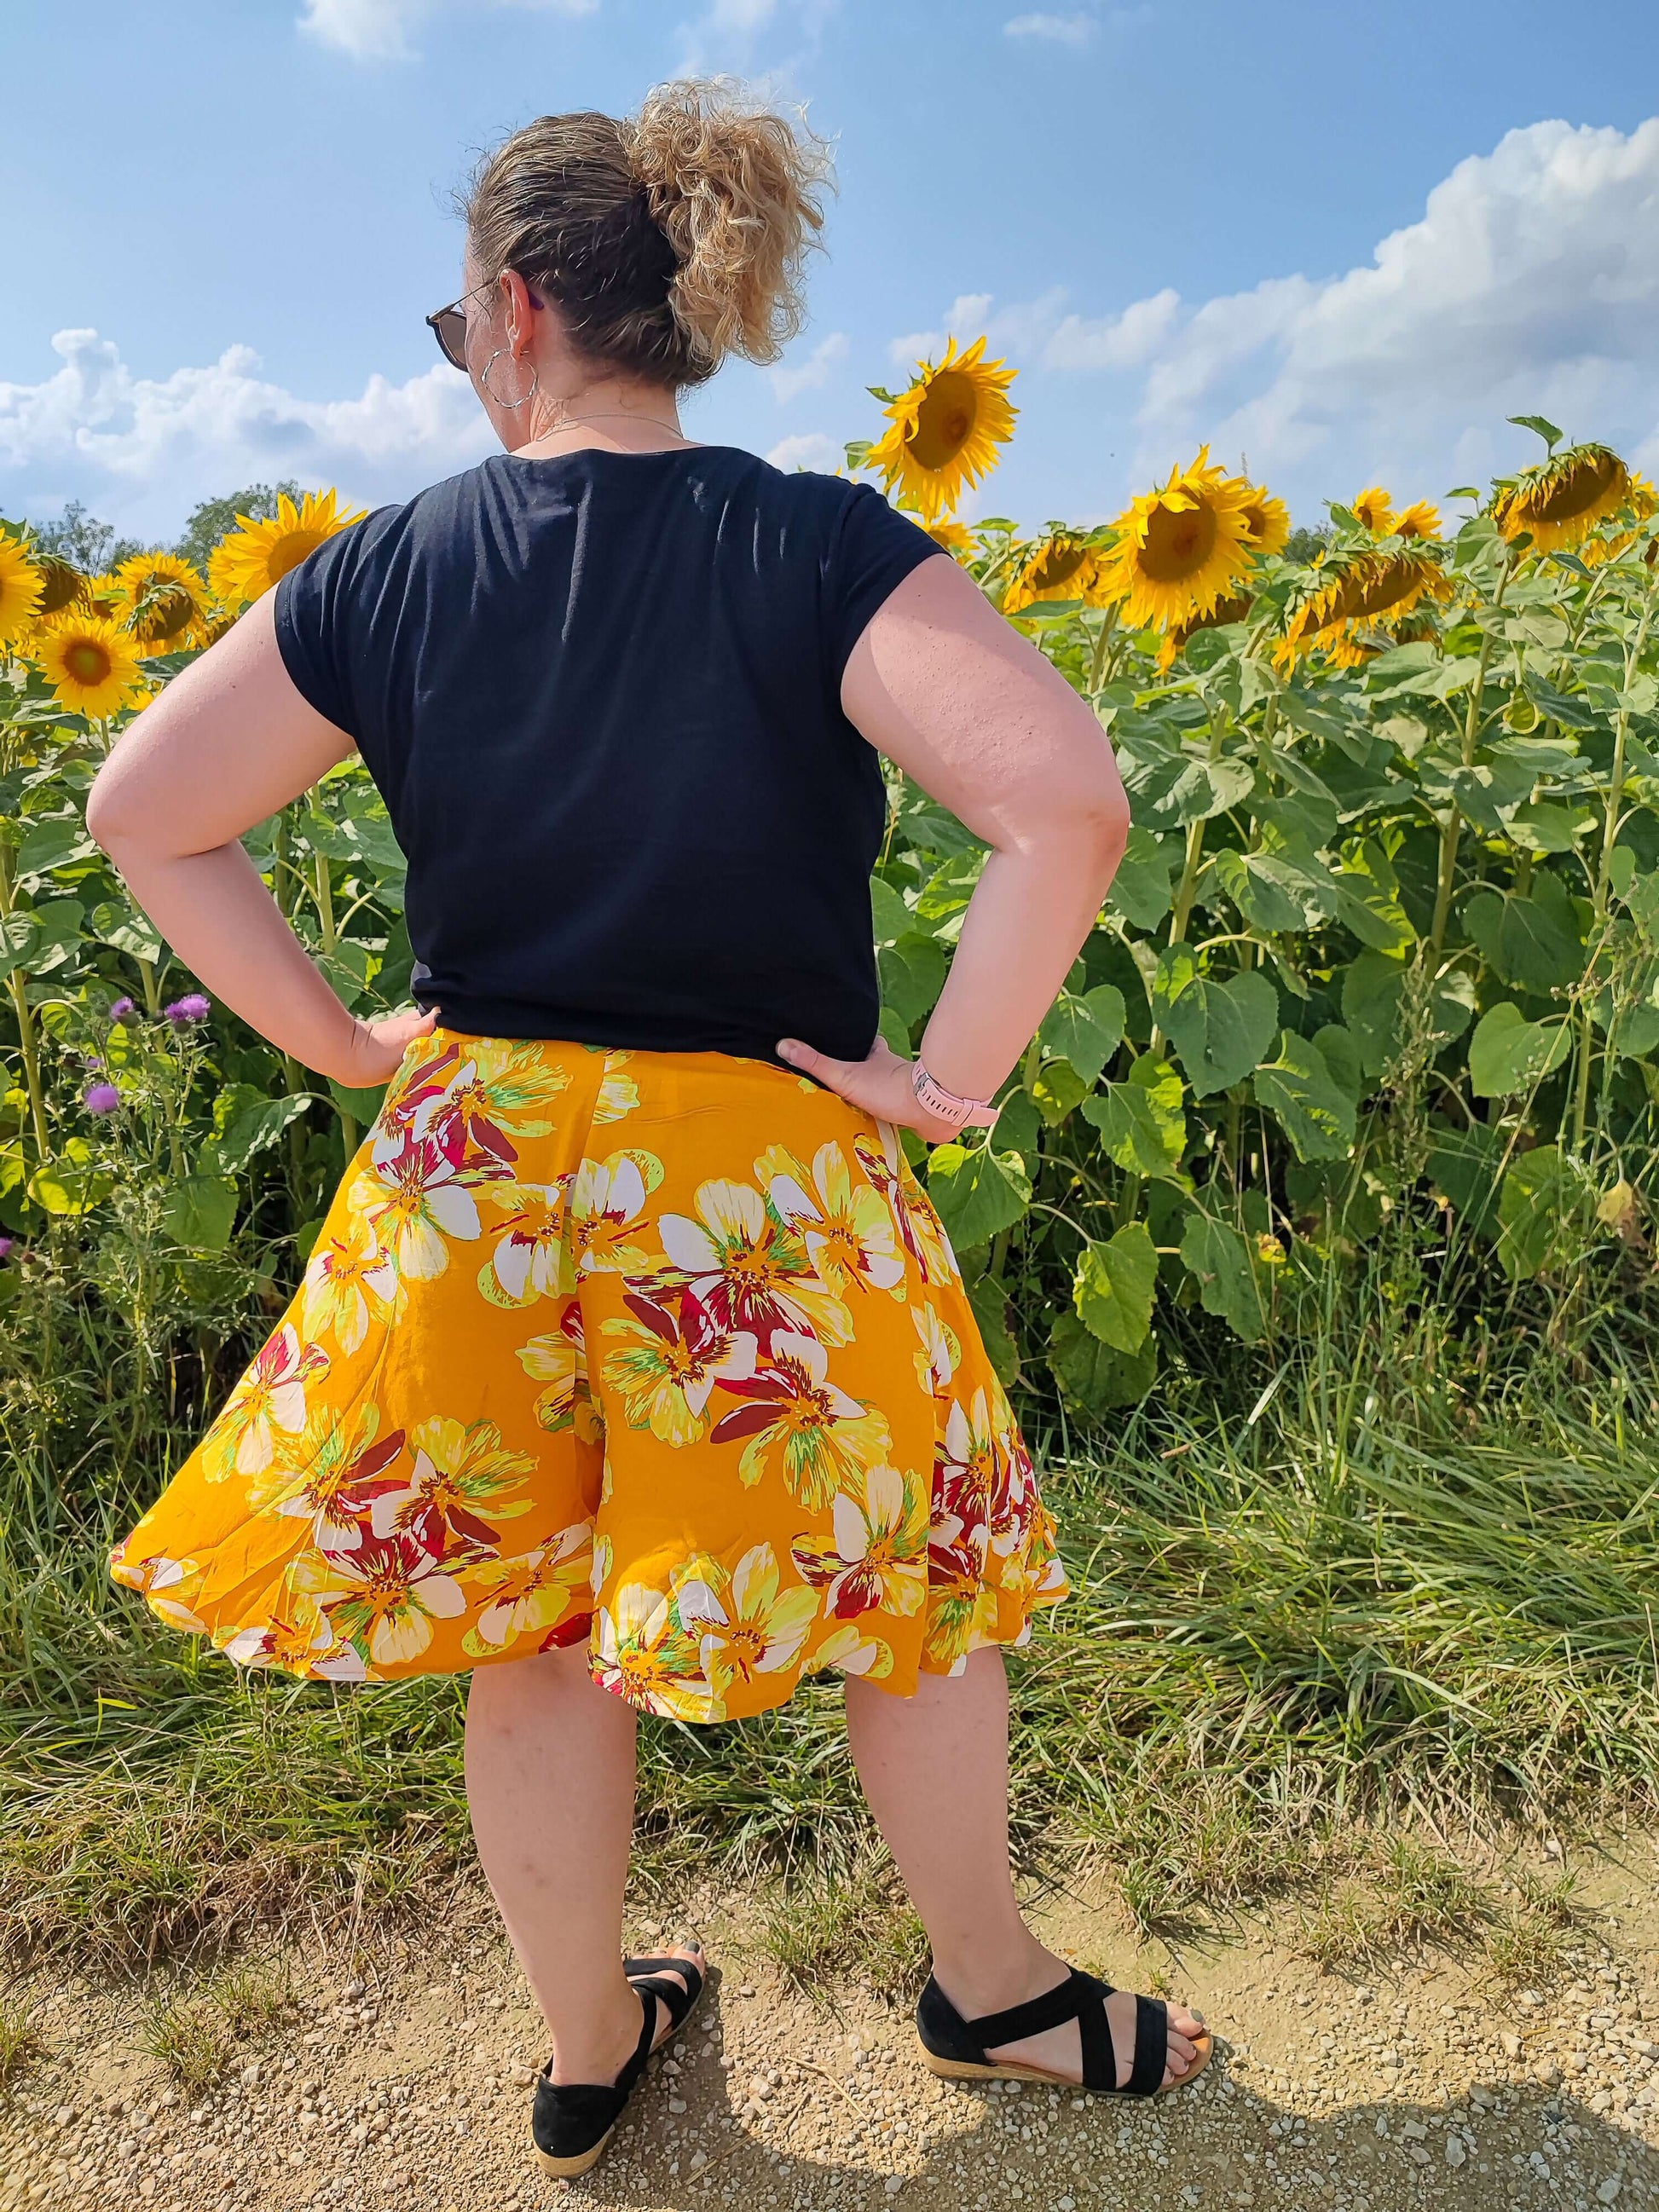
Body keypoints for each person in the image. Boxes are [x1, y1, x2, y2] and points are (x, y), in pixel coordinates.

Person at [91, 78, 1209, 2182]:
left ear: (514, 309)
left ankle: (591, 2038)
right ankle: (991, 1992)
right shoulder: (813, 542)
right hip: (757, 1178)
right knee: (907, 1593)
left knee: (526, 1627)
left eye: (450, 332)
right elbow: (1062, 799)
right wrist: (944, 1082)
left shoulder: (391, 566)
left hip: (474, 1176)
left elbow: (144, 812)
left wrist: (339, 1038)